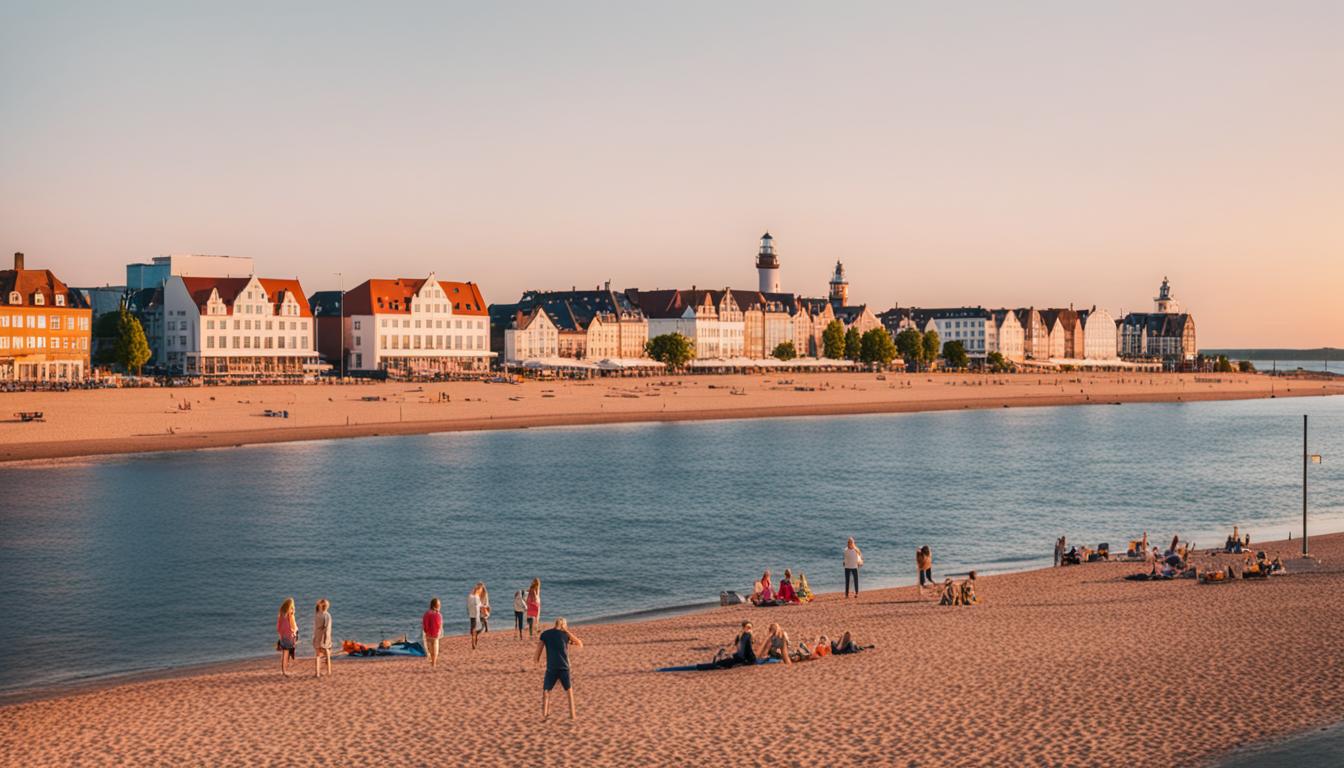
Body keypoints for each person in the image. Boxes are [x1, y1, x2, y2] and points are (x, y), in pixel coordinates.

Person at [536, 617, 583, 720]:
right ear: (564, 625)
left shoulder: (546, 634)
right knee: (569, 691)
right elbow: (580, 643)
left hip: (551, 668)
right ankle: (572, 715)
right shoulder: (565, 635)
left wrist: (536, 661)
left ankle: (545, 715)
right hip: (564, 668)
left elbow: (539, 648)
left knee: (546, 691)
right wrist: (567, 631)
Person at [276, 597, 298, 676]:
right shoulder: (290, 613)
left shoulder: (281, 614)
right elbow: (293, 626)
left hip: (282, 636)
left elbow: (278, 627)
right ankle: (286, 668)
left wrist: (281, 633)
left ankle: (283, 669)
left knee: (284, 653)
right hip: (289, 636)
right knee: (288, 652)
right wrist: (295, 631)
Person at [313, 598, 332, 678]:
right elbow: (327, 628)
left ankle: (317, 673)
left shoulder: (317, 614)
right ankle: (328, 671)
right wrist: (325, 639)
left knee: (317, 654)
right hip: (324, 636)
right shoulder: (327, 615)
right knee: (327, 652)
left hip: (318, 635)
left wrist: (315, 637)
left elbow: (316, 627)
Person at [422, 597, 443, 669]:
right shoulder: (438, 614)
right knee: (435, 648)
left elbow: (425, 623)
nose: (440, 606)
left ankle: (432, 661)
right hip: (436, 634)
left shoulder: (426, 614)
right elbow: (439, 625)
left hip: (428, 634)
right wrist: (439, 632)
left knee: (430, 648)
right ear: (436, 606)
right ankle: (434, 663)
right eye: (439, 605)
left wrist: (426, 631)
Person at [468, 583, 484, 650]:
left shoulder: (470, 596)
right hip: (476, 615)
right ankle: (475, 638)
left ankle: (474, 638)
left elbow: (469, 605)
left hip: (472, 615)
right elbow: (480, 606)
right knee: (480, 626)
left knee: (473, 628)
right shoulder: (477, 597)